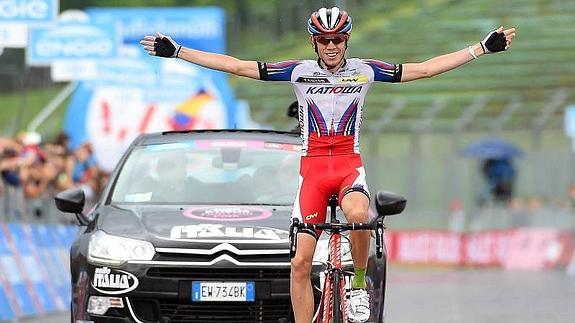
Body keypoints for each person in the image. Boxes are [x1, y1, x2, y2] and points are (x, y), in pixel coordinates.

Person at [141, 7, 516, 322]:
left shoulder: (366, 70)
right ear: (314, 42)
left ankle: (356, 286)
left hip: (349, 166)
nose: (331, 45)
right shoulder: (299, 71)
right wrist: (178, 51)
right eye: (324, 40)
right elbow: (237, 66)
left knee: (358, 213)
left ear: (347, 41)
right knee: (301, 264)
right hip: (314, 172)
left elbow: (424, 70)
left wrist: (480, 48)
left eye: (338, 39)